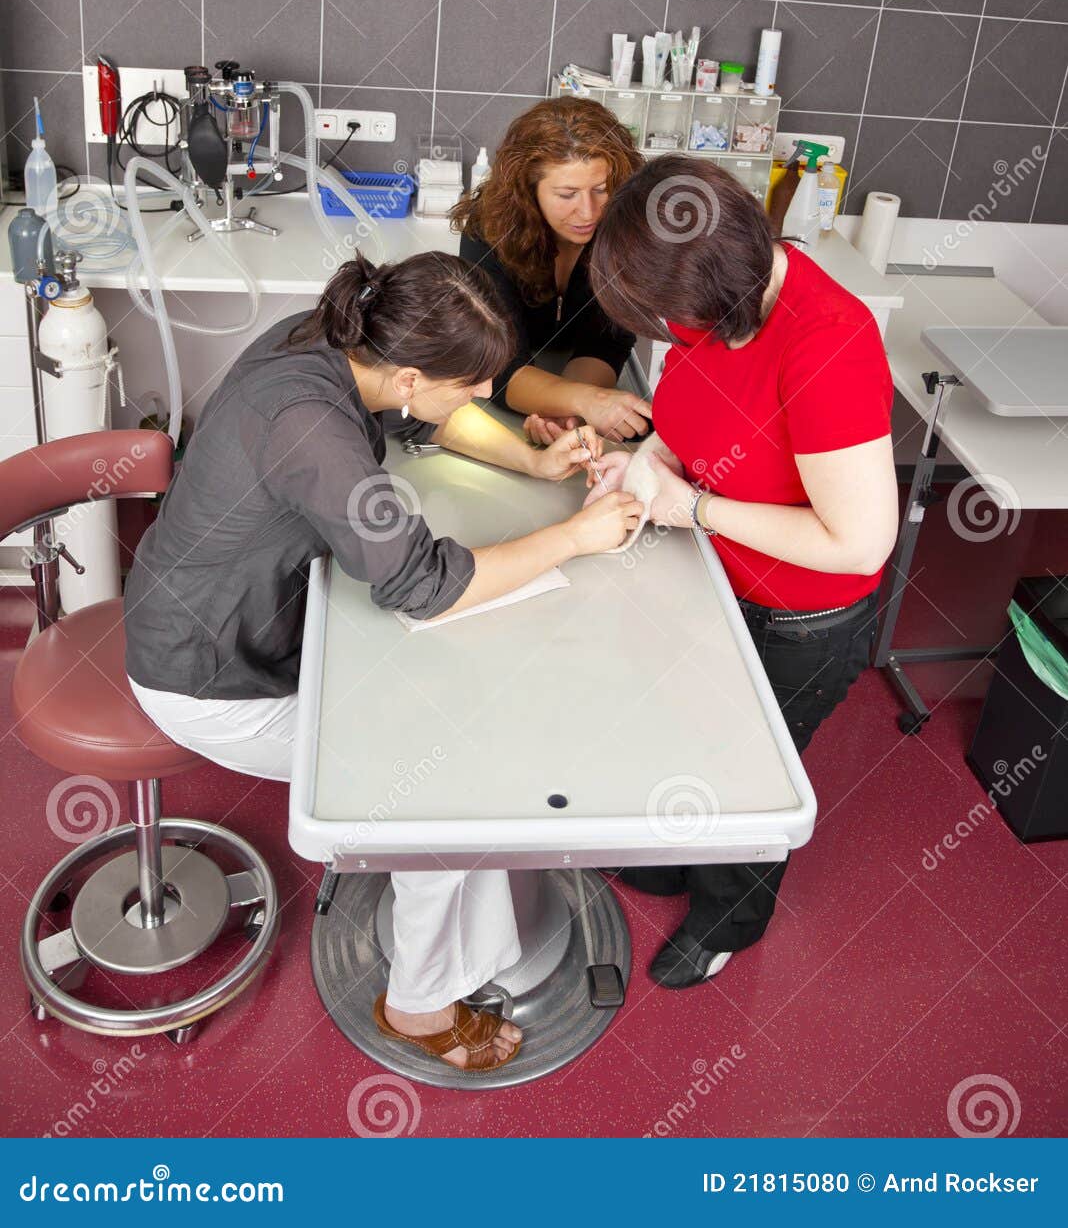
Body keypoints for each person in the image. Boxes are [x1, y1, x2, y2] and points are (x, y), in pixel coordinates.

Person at [123, 251, 642, 1070]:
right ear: (406, 372)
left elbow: (427, 418)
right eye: (470, 384)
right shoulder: (308, 425)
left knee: (453, 730)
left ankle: (469, 944)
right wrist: (576, 536)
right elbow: (424, 584)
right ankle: (418, 1005)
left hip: (240, 611)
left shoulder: (330, 339)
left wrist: (537, 461)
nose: (485, 401)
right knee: (436, 798)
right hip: (206, 674)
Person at [587, 157, 899, 989]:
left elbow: (860, 544)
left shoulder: (829, 341)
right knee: (690, 732)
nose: (664, 331)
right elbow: (687, 413)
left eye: (666, 317)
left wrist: (692, 509)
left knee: (753, 775)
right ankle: (670, 859)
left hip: (804, 619)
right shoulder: (709, 301)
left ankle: (733, 918)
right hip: (717, 582)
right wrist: (644, 463)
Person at [452, 97, 651, 445]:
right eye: (567, 194)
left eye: (601, 189)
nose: (588, 212)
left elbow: (606, 341)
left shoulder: (626, 232)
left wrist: (571, 412)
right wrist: (584, 401)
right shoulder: (490, 229)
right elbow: (498, 366)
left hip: (573, 379)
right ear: (529, 191)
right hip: (501, 398)